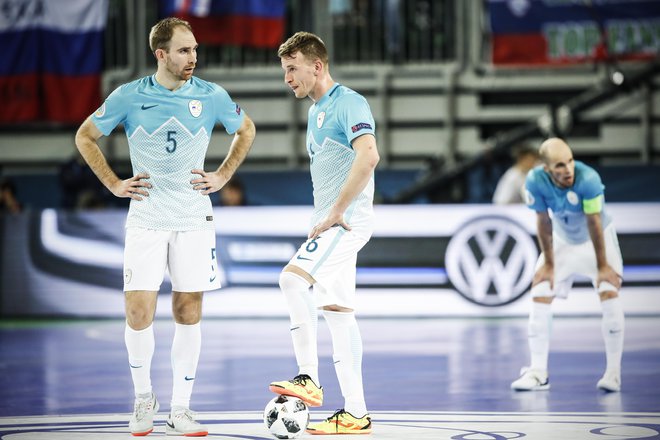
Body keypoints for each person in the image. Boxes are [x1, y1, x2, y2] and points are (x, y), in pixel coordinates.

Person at [74, 17, 255, 436]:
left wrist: (223, 175)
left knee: (188, 311)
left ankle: (181, 408)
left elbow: (245, 129)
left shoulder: (211, 95)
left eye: (194, 49)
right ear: (161, 54)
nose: (193, 57)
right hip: (147, 217)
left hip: (193, 217)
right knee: (138, 311)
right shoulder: (129, 95)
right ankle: (143, 399)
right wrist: (114, 184)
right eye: (184, 50)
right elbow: (85, 136)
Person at [268, 31, 379, 435]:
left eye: (292, 68)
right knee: (338, 314)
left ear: (317, 66)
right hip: (335, 222)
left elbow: (369, 156)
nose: (287, 78)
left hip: (345, 222)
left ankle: (307, 378)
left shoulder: (348, 102)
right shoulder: (316, 112)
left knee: (291, 281)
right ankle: (355, 412)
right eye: (284, 71)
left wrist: (335, 212)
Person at [511, 137, 624, 393]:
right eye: (560, 165)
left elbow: (593, 222)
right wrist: (549, 263)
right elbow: (542, 221)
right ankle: (538, 373)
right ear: (546, 168)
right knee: (540, 289)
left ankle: (613, 374)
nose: (568, 169)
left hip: (597, 238)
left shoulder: (589, 179)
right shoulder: (534, 181)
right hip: (562, 240)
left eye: (571, 161)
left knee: (608, 290)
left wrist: (603, 265)